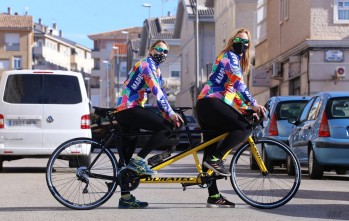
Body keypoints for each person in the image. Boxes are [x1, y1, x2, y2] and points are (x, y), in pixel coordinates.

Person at [196, 28, 266, 208]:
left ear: (248, 46)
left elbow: (233, 92)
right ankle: (216, 159)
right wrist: (253, 104)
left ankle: (213, 196)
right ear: (232, 40)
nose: (242, 44)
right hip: (211, 103)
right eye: (238, 39)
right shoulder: (229, 57)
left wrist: (244, 109)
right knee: (244, 128)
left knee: (210, 149)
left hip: (207, 105)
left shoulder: (231, 58)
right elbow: (238, 82)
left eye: (246, 42)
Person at [115, 40, 183, 209]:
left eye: (166, 52)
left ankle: (125, 198)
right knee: (165, 128)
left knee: (126, 157)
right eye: (159, 49)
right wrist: (171, 114)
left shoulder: (156, 70)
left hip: (127, 110)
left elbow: (161, 96)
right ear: (151, 50)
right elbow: (157, 92)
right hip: (129, 108)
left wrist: (167, 112)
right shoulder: (146, 64)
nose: (162, 53)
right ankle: (140, 160)